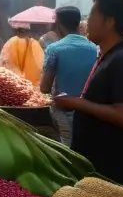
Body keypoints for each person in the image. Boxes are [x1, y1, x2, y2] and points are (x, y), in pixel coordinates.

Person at [54, 0, 123, 188]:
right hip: (96, 168)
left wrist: (77, 103)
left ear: (109, 22)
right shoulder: (108, 57)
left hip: (112, 171)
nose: (86, 22)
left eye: (92, 16)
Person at [40, 7, 99, 146]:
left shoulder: (54, 49)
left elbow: (44, 88)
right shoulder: (94, 48)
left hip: (63, 112)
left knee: (67, 151)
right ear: (79, 23)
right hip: (89, 112)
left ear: (58, 23)